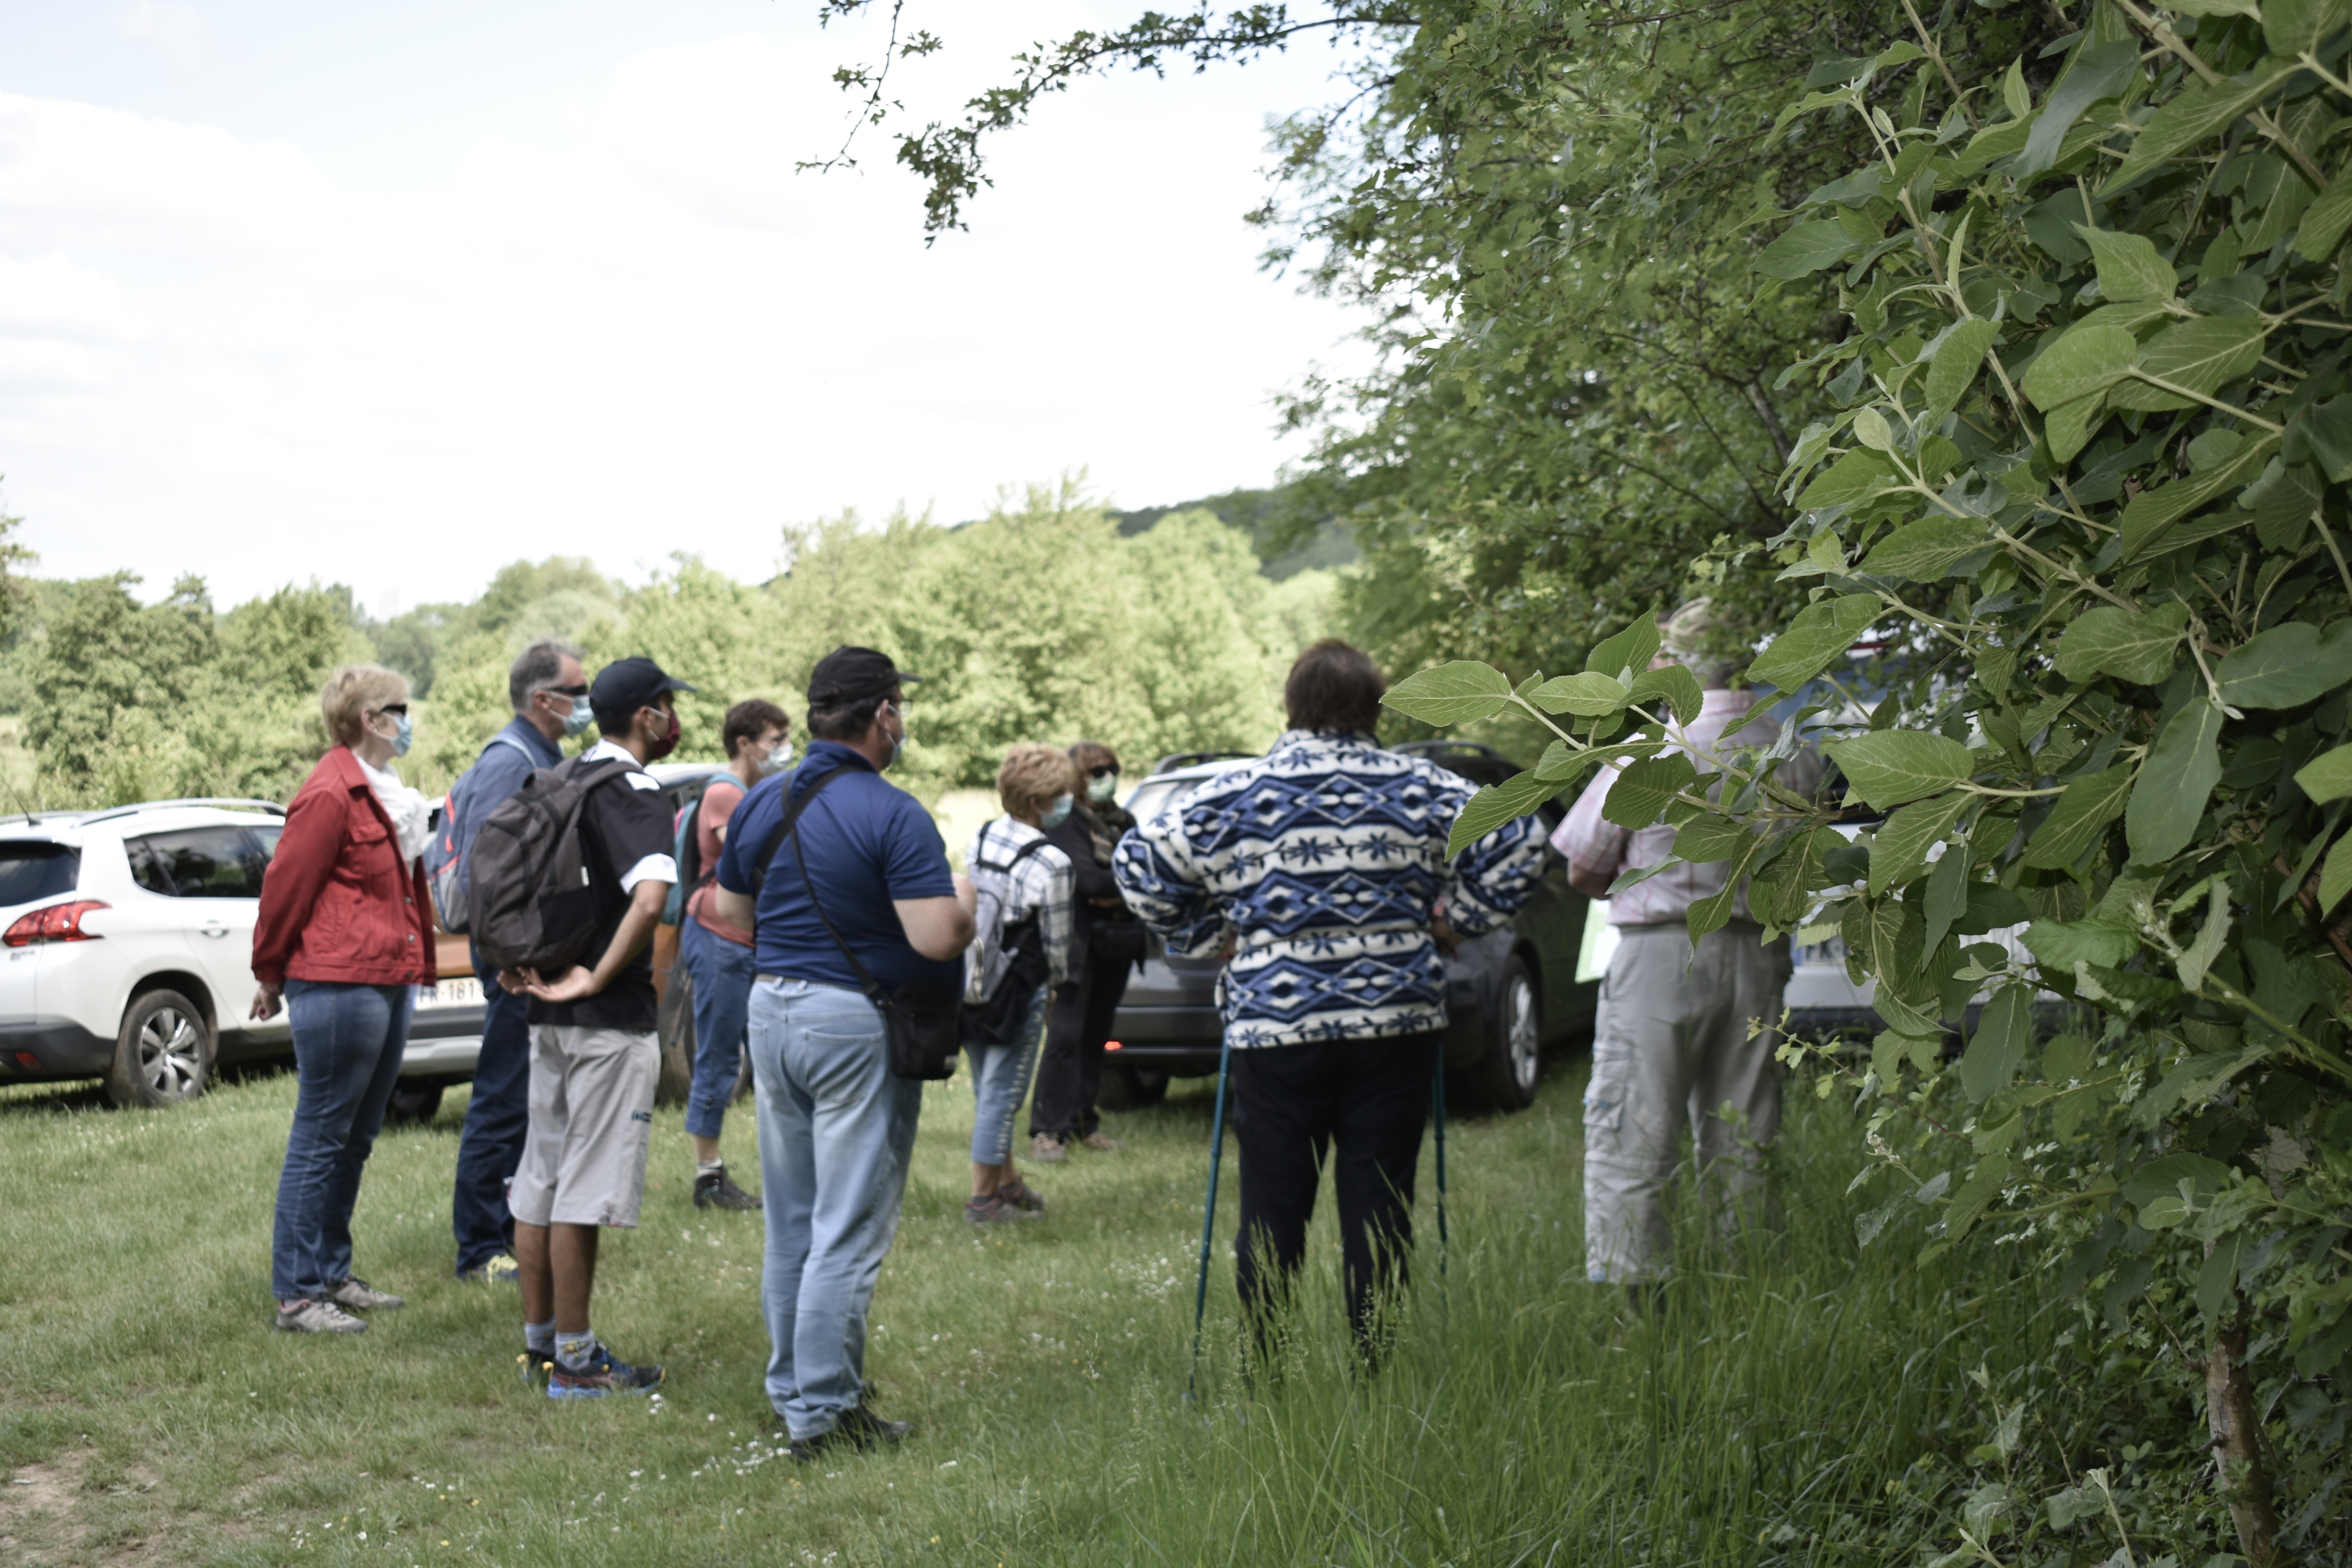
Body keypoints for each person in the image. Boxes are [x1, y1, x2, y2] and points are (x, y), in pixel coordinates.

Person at [1113, 640, 1546, 1363]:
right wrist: (1453, 923)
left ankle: (1269, 1365)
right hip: (1397, 1020)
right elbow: (1523, 839)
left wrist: (1210, 934)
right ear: (1374, 707)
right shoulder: (1422, 787)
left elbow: (1137, 863)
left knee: (1273, 1203)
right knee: (1381, 1197)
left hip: (1274, 1028)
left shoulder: (1235, 794)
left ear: (1291, 706)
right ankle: (1374, 1360)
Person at [712, 646, 975, 1460]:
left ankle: (796, 1392)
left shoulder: (761, 800)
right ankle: (826, 1413)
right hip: (853, 1025)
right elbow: (936, 936)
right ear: (883, 713)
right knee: (848, 1223)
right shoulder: (894, 812)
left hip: (773, 1011)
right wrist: (967, 903)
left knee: (793, 1218)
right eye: (900, 707)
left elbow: (728, 906)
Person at [1553, 599, 1823, 1292]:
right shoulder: (1791, 753)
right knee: (1744, 1127)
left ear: (1677, 661)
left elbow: (1583, 865)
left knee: (1636, 1128)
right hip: (1757, 957)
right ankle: (1754, 1280)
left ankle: (1635, 1291)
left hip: (1661, 958)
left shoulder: (1654, 748)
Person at [501, 655, 694, 1399]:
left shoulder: (564, 778)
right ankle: (578, 1362)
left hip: (544, 1010)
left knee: (540, 1179)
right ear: (647, 716)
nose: (675, 720)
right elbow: (649, 901)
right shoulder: (636, 790)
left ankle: (539, 1346)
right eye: (669, 706)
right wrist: (602, 974)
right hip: (605, 1020)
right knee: (582, 1189)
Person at [252, 665, 439, 1334]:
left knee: (355, 1138)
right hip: (338, 983)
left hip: (386, 979)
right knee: (321, 1136)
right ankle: (298, 1295)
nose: (409, 718)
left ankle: (330, 1274)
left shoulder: (386, 792)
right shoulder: (331, 791)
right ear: (369, 718)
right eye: (400, 707)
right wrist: (269, 972)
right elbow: (285, 886)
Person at [448, 638, 587, 1285]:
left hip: (529, 958)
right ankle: (480, 1246)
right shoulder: (510, 762)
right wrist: (515, 961)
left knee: (528, 1098)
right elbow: (489, 868)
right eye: (578, 692)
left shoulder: (537, 755)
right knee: (503, 1096)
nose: (586, 704)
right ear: (544, 699)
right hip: (514, 963)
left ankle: (511, 1226)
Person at [679, 697, 794, 1210]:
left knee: (769, 1058)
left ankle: (779, 1171)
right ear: (744, 744)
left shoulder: (745, 790)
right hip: (719, 937)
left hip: (742, 939)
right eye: (775, 741)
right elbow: (750, 858)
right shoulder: (726, 792)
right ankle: (709, 1179)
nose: (784, 750)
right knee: (720, 1056)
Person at [960, 745, 1076, 1225]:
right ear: (1040, 800)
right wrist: (1052, 988)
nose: (1068, 799)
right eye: (1062, 792)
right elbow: (1057, 939)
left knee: (987, 1085)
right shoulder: (1053, 862)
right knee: (1003, 1095)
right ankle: (984, 1201)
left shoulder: (984, 836)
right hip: (1018, 986)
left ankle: (1008, 1182)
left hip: (972, 976)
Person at [1029, 740, 1143, 1163]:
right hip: (1077, 947)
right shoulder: (1066, 824)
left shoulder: (1124, 819)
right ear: (1076, 777)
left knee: (1097, 1038)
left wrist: (1115, 890)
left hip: (1116, 944)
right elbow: (1091, 884)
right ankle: (1047, 1131)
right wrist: (1120, 887)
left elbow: (1144, 875)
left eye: (1111, 767)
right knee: (1064, 1038)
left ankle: (1083, 1121)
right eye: (1095, 771)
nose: (1105, 777)